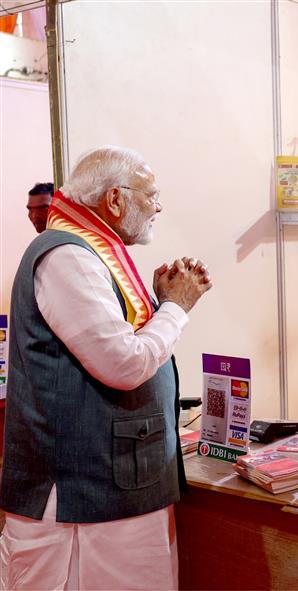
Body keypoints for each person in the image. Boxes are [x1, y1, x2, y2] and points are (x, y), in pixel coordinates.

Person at [0, 146, 213, 589]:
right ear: (115, 200)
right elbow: (122, 363)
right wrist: (176, 308)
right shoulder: (67, 257)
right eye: (150, 194)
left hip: (112, 491)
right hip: (84, 499)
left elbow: (118, 342)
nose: (158, 206)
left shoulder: (91, 252)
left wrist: (158, 305)